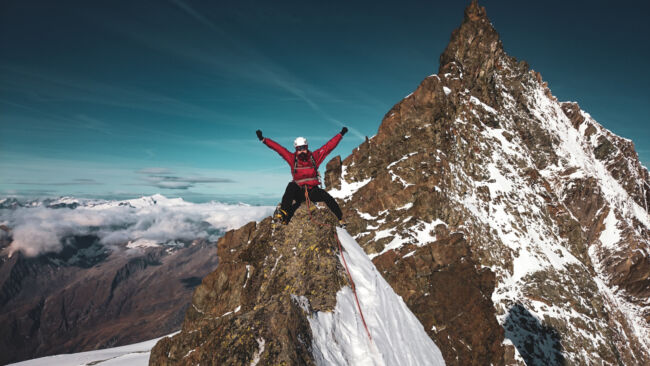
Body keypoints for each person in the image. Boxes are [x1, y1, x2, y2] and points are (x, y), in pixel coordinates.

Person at [256, 128, 348, 226]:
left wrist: (340, 134)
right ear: (296, 149)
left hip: (312, 191)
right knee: (291, 186)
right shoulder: (292, 159)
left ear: (307, 147)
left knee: (327, 197)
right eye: (299, 149)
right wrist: (264, 140)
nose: (301, 151)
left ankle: (340, 218)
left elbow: (328, 147)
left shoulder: (314, 157)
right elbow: (279, 149)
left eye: (303, 148)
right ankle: (283, 213)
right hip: (299, 191)